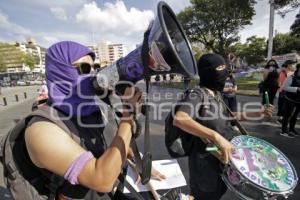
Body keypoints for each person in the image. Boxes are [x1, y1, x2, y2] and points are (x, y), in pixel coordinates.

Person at [16, 41, 164, 199]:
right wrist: (128, 114)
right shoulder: (42, 129)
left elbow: (112, 141)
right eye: (85, 68)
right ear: (60, 71)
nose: (93, 73)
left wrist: (139, 163)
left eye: (95, 67)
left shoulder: (93, 106)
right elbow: (101, 179)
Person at [171, 53, 273, 200]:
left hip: (221, 161)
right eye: (220, 68)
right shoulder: (197, 94)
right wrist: (216, 137)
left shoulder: (216, 95)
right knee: (206, 195)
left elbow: (230, 117)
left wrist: (258, 112)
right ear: (208, 72)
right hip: (204, 164)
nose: (225, 73)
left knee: (218, 192)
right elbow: (180, 119)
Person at [280, 63, 300, 138]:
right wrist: (296, 89)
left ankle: (291, 129)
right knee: (287, 115)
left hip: (298, 100)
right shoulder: (291, 77)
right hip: (290, 99)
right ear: (298, 69)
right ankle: (284, 131)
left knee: (295, 116)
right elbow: (284, 87)